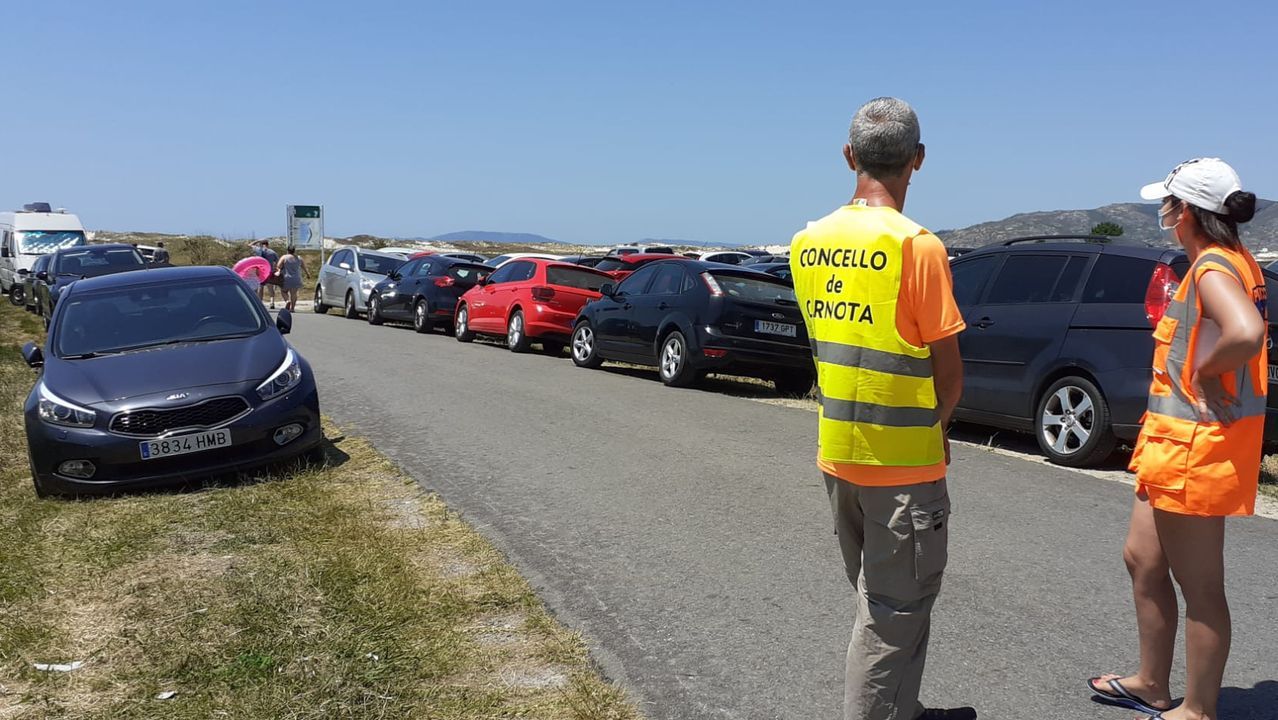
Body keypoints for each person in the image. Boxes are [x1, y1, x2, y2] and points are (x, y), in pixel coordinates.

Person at [789, 97, 968, 720]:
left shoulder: (806, 243)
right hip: (905, 465)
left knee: (886, 601)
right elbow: (950, 376)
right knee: (894, 610)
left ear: (849, 157)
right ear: (917, 161)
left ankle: (906, 709)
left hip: (838, 455)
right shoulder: (917, 247)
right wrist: (937, 429)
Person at [1088, 159, 1264, 720]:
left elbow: (1246, 332)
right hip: (1171, 445)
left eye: (1167, 204)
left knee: (1201, 586)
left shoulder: (1213, 267)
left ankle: (1200, 709)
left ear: (1184, 212)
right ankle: (1150, 683)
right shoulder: (1225, 261)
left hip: (1195, 449)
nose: (1162, 212)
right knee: (1142, 558)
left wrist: (1208, 371)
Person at [276, 245, 307, 312]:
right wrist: (308, 274)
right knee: (294, 294)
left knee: (283, 291)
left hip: (286, 278)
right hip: (296, 278)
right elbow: (304, 267)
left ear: (287, 250)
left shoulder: (284, 257)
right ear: (294, 250)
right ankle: (292, 308)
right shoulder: (299, 258)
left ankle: (287, 301)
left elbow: (278, 266)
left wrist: (279, 270)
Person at [255, 240, 280, 309]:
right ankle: (272, 302)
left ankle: (260, 302)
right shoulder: (272, 252)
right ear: (268, 244)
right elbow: (278, 261)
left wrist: (257, 241)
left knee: (261, 287)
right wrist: (276, 269)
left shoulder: (258, 251)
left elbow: (249, 245)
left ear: (261, 244)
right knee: (270, 287)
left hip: (261, 272)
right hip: (269, 271)